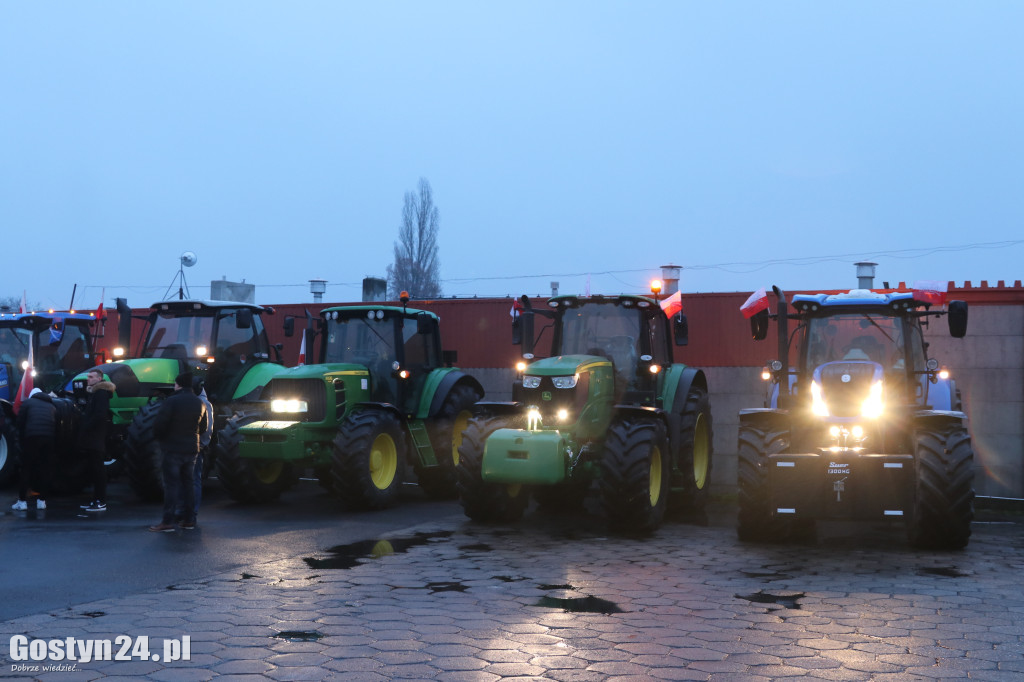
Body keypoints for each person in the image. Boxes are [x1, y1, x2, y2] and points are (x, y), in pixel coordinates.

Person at [149, 372, 208, 532]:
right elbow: (203, 427)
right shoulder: (199, 403)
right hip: (191, 449)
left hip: (172, 448)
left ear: (178, 384)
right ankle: (189, 520)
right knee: (188, 483)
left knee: (171, 485)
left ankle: (168, 521)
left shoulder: (171, 401)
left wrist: (161, 439)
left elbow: (160, 425)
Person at [175, 376, 213, 523]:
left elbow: (207, 428)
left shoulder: (203, 403)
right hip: (187, 445)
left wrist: (202, 444)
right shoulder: (194, 400)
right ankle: (183, 510)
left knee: (192, 479)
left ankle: (191, 511)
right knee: (183, 480)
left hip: (196, 447)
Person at [12, 388, 56, 511]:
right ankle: (42, 501)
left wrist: (21, 440)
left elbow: (20, 422)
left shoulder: (27, 403)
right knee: (45, 469)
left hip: (31, 438)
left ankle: (22, 502)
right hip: (48, 439)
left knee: (26, 469)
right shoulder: (51, 405)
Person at [78, 368, 116, 512]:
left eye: (91, 376)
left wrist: (86, 426)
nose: (88, 379)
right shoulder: (95, 394)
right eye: (88, 376)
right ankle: (96, 500)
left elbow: (99, 415)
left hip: (95, 438)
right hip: (94, 438)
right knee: (95, 470)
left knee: (98, 470)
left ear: (99, 379)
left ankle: (100, 501)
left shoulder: (100, 394)